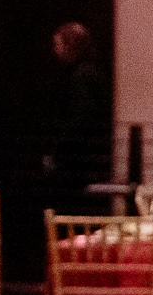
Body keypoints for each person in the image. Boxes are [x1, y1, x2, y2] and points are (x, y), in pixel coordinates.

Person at [42, 21, 111, 214]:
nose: (55, 50)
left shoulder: (80, 76)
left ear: (71, 45)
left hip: (76, 165)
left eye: (58, 44)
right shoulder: (92, 72)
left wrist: (58, 152)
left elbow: (79, 119)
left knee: (70, 212)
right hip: (87, 161)